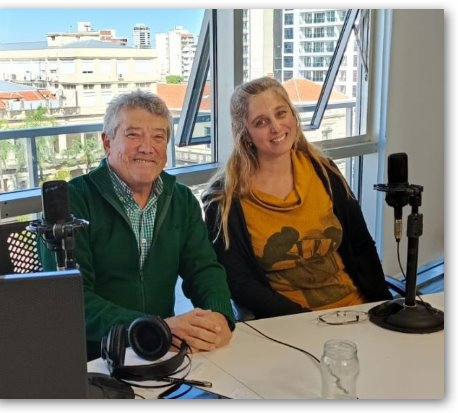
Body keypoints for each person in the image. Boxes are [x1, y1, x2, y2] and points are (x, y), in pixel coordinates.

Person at [39, 89, 235, 360]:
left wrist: (220, 315)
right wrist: (152, 327)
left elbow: (203, 269)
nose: (147, 147)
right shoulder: (70, 206)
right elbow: (70, 300)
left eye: (158, 137)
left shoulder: (181, 200)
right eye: (133, 135)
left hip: (160, 352)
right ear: (107, 142)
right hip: (91, 357)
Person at [202, 77, 392, 320]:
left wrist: (385, 309)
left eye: (281, 113)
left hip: (356, 309)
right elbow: (240, 283)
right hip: (288, 322)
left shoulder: (325, 171)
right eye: (261, 122)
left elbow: (362, 246)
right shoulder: (224, 199)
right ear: (245, 133)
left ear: (293, 115)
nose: (276, 127)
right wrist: (305, 320)